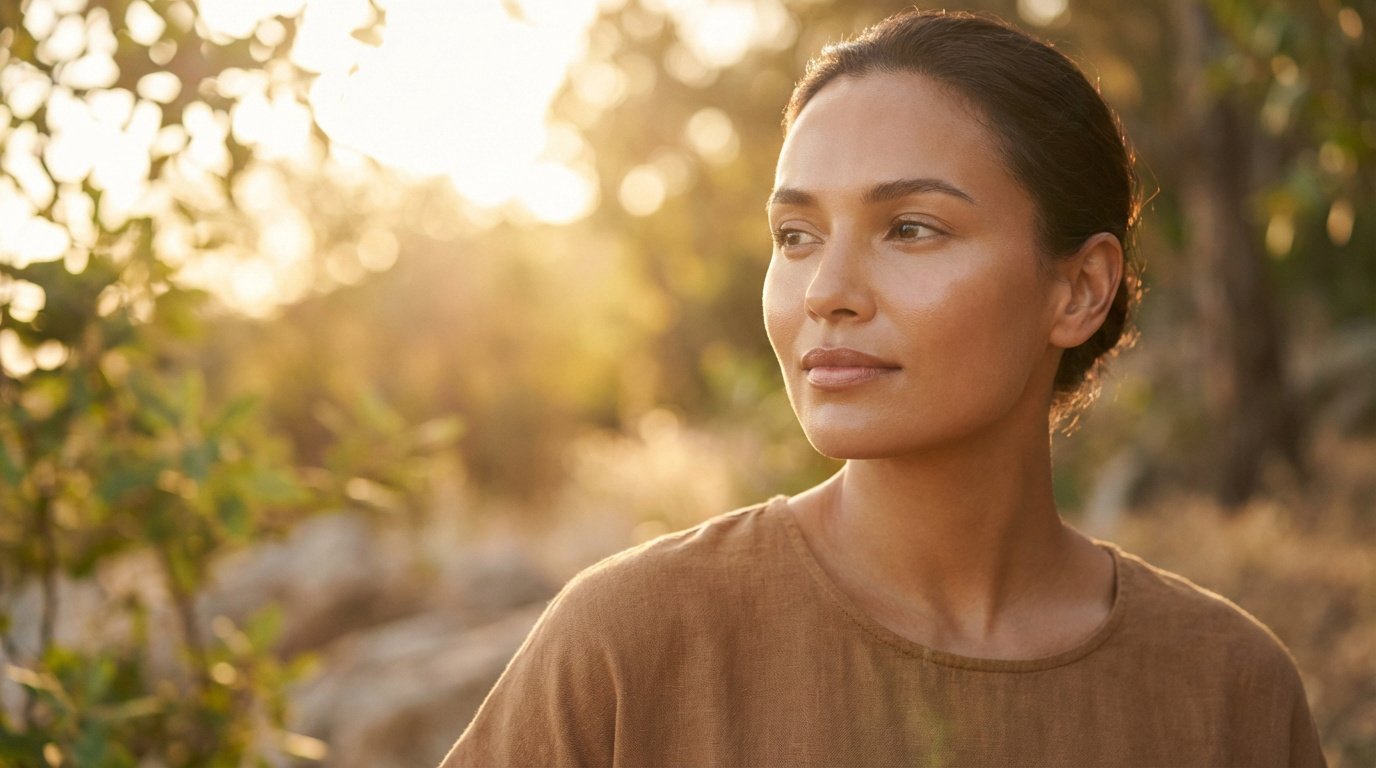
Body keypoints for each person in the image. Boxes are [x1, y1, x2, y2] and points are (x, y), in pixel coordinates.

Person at [440, 9, 1325, 767]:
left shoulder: (1228, 689)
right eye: (795, 235)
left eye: (910, 228)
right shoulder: (632, 642)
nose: (826, 290)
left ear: (1078, 289)